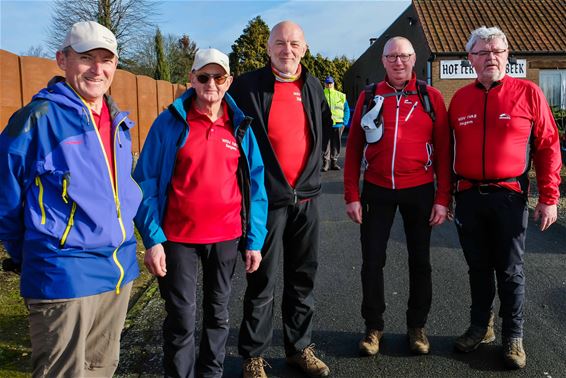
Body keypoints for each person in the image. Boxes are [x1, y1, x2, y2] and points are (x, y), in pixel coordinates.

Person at [0, 21, 141, 377]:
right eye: (86, 57)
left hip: (117, 273)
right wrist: (28, 254)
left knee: (101, 368)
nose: (98, 69)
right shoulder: (38, 120)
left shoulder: (119, 122)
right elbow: (5, 198)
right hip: (64, 275)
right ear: (62, 60)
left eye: (106, 59)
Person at [133, 48, 268, 378]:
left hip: (226, 237)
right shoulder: (169, 123)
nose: (211, 83)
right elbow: (145, 182)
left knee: (218, 314)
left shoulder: (239, 126)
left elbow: (255, 185)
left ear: (228, 82)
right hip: (178, 238)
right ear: (191, 79)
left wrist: (254, 239)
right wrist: (152, 238)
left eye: (218, 77)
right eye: (203, 76)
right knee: (181, 317)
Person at [449, 26, 562, 369]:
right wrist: (445, 196)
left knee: (510, 270)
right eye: (483, 53)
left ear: (507, 55)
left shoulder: (527, 93)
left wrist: (549, 196)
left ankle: (514, 336)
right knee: (478, 267)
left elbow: (548, 145)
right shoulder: (459, 99)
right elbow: (445, 151)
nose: (492, 58)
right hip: (468, 196)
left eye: (498, 51)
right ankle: (481, 327)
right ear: (470, 59)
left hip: (510, 196)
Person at [228, 20, 333, 378]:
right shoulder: (246, 86)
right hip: (266, 202)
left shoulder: (314, 86)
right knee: (262, 281)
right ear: (269, 47)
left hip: (306, 200)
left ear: (304, 48)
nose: (286, 50)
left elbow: (322, 130)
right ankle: (253, 356)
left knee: (303, 278)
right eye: (279, 43)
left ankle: (299, 348)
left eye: (293, 44)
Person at [343, 36, 451, 356]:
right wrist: (351, 193)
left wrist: (443, 197)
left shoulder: (430, 97)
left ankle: (417, 326)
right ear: (384, 60)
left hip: (419, 189)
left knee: (421, 261)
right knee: (372, 261)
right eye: (392, 57)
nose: (398, 62)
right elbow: (352, 150)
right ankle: (373, 326)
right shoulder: (370, 95)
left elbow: (445, 152)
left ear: (414, 58)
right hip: (377, 188)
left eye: (404, 56)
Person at [321, 75, 350, 171]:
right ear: (324, 84)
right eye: (327, 83)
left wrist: (344, 122)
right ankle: (325, 163)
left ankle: (334, 162)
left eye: (330, 83)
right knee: (325, 144)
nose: (329, 85)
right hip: (325, 125)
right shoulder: (320, 95)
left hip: (338, 124)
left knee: (336, 144)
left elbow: (346, 110)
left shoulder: (340, 95)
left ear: (333, 83)